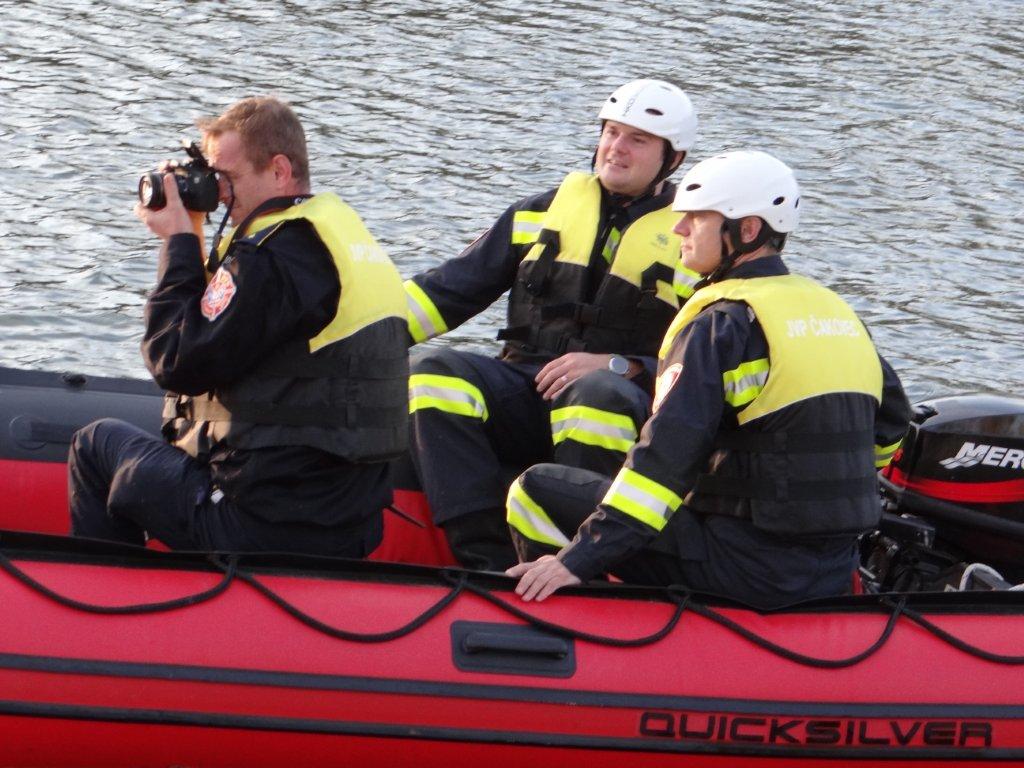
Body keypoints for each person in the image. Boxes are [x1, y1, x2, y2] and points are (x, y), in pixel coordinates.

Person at [506, 150, 912, 607]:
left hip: (741, 568)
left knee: (533, 490)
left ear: (747, 230)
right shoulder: (836, 314)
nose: (678, 229)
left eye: (696, 219)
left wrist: (577, 560)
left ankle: (564, 620)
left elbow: (661, 465)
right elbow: (892, 426)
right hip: (831, 565)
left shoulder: (720, 324)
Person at [68, 96, 409, 557]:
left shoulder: (269, 259)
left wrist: (179, 242)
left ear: (279, 170)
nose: (219, 194)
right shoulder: (339, 240)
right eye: (211, 179)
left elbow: (174, 361)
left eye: (227, 179)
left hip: (261, 527)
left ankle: (105, 611)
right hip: (350, 526)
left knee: (95, 445)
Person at [404, 79, 701, 571]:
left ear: (673, 159)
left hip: (622, 402)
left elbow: (703, 365)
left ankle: (577, 559)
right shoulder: (540, 212)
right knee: (433, 371)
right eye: (610, 132)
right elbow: (444, 292)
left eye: (637, 140)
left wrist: (622, 365)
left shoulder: (693, 240)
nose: (616, 149)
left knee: (598, 396)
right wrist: (351, 337)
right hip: (525, 387)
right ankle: (482, 559)